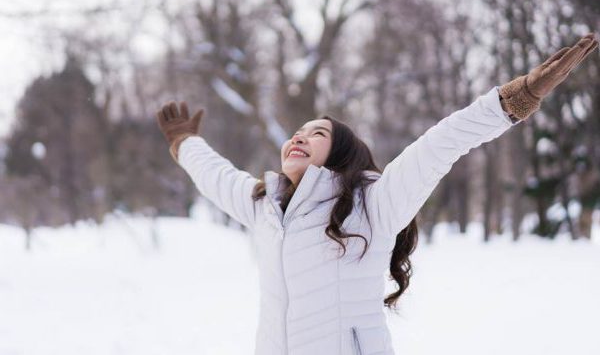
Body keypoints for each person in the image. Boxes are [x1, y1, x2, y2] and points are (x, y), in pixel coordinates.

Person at [156, 34, 598, 355]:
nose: (300, 136)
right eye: (297, 131)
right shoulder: (266, 206)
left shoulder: (373, 204)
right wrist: (184, 142)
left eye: (318, 133)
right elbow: (217, 176)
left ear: (340, 151)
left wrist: (515, 99)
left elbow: (440, 143)